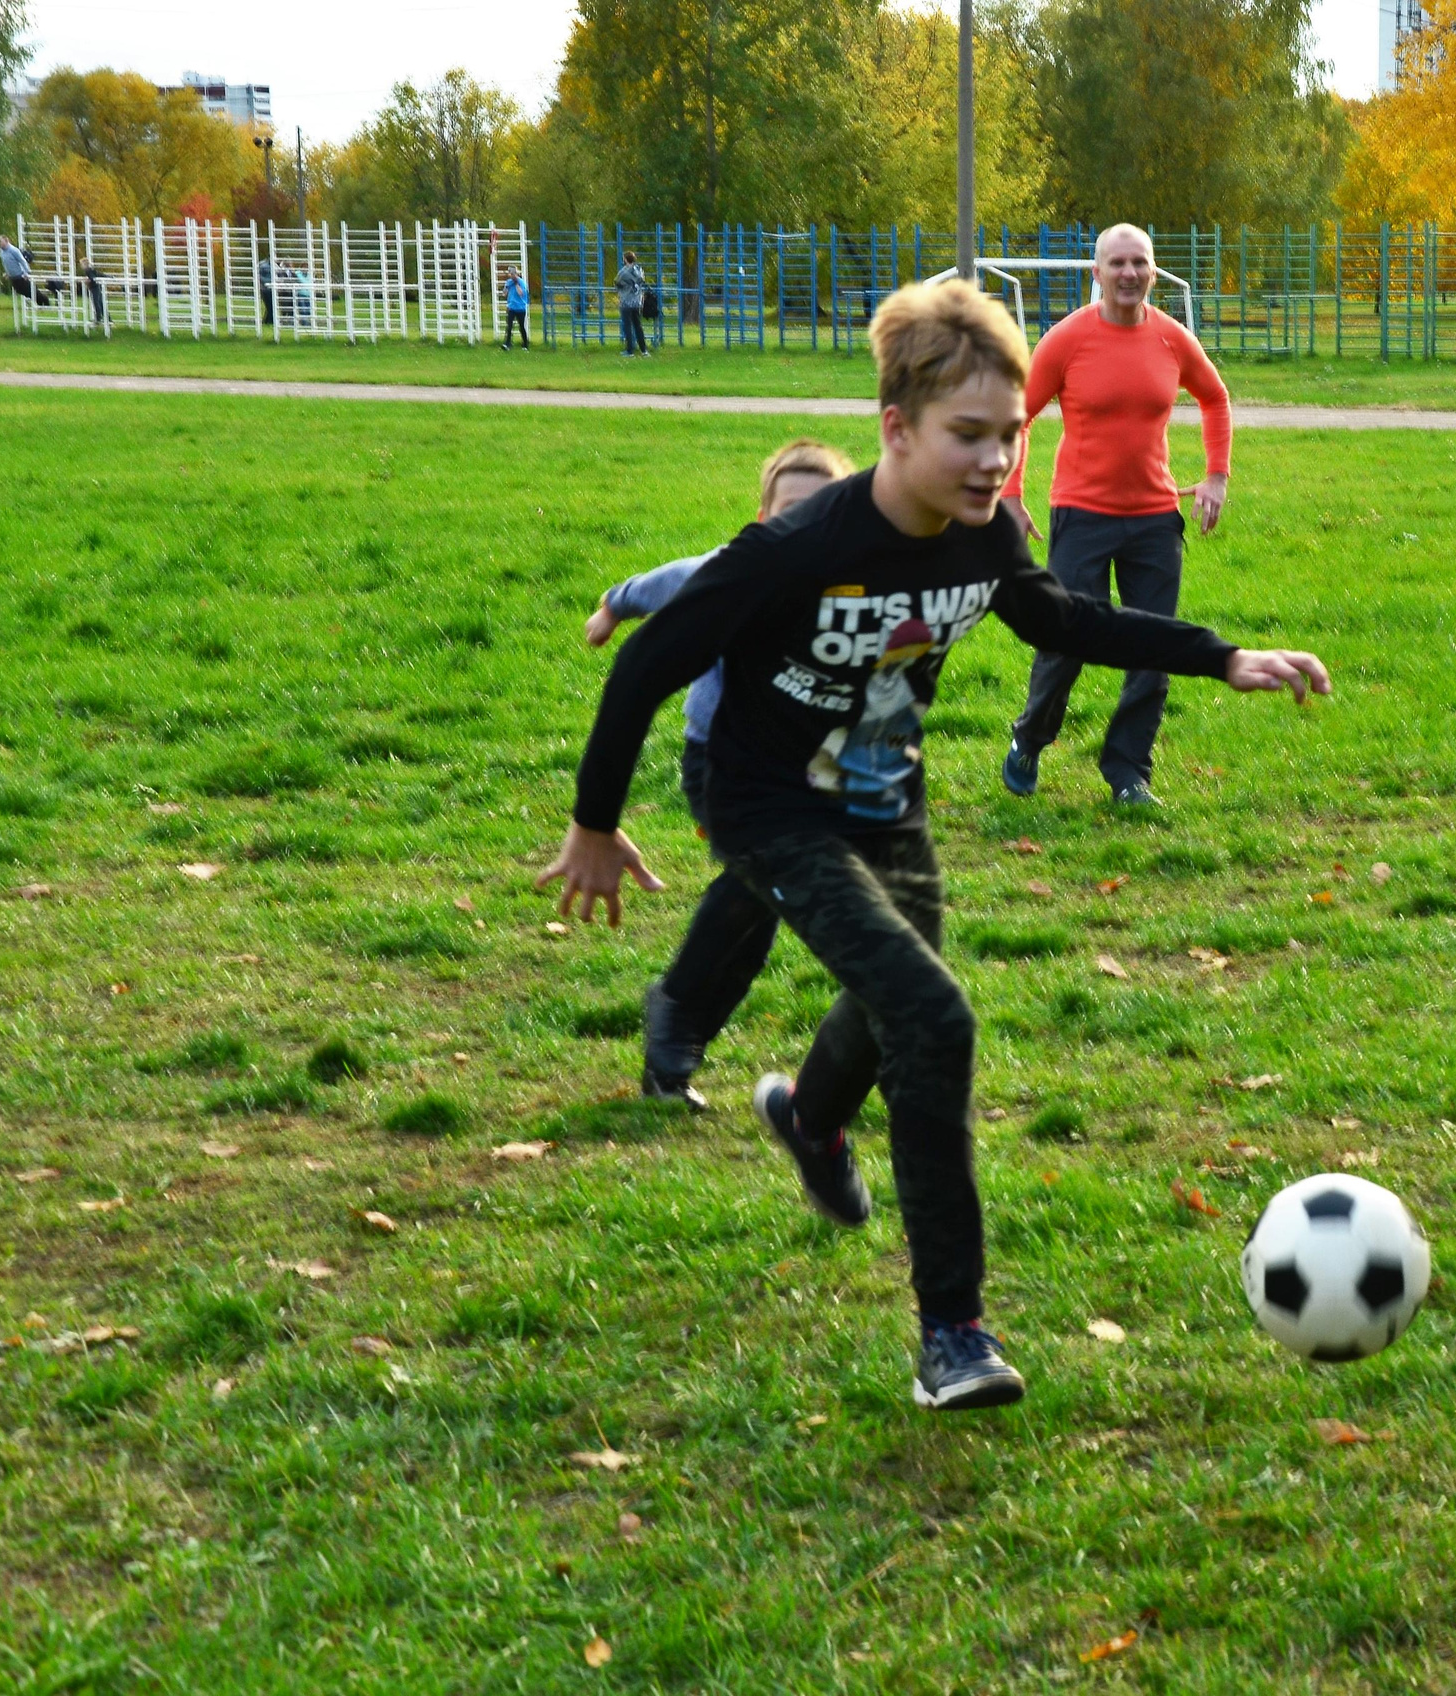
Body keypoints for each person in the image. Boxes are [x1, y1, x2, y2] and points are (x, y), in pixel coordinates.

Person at [537, 280, 1329, 1412]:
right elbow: (645, 666)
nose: (994, 461)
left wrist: (1222, 655)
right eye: (967, 436)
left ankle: (808, 1119)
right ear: (895, 429)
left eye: (1009, 436)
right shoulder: (797, 546)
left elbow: (1063, 618)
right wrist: (595, 823)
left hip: (884, 799)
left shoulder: (990, 533)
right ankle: (953, 1332)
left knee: (887, 1000)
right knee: (931, 1012)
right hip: (765, 804)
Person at [583, 439, 857, 1107]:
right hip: (721, 765)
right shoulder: (736, 571)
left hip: (813, 775)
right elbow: (670, 579)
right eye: (792, 509)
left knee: (759, 904)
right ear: (763, 520)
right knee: (764, 885)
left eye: (824, 510)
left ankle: (673, 1045)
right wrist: (615, 605)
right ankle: (675, 1018)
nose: (807, 522)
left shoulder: (859, 585)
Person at [997, 223, 1233, 809]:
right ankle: (1030, 738)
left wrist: (1216, 476)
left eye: (1140, 263)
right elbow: (1017, 417)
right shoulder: (1067, 339)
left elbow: (1215, 397)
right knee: (1066, 640)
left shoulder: (1172, 340)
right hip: (1081, 515)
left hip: (1155, 518)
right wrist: (1009, 495)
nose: (1129, 273)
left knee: (1156, 649)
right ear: (1095, 274)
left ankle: (1129, 773)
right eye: (1117, 263)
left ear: (1153, 271)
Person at [616, 252, 648, 356]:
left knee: (627, 326)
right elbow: (642, 281)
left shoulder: (624, 271)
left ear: (625, 259)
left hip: (626, 301)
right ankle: (644, 350)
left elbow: (617, 281)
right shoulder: (639, 270)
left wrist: (623, 288)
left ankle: (630, 350)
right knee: (638, 326)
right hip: (637, 301)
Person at [500, 267, 530, 349]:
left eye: (513, 274)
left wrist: (516, 284)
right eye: (510, 274)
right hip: (511, 307)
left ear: (516, 274)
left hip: (520, 308)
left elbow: (521, 293)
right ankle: (507, 343)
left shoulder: (522, 282)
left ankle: (525, 344)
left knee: (521, 327)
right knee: (509, 326)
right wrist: (506, 287)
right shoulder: (509, 282)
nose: (511, 276)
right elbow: (504, 294)